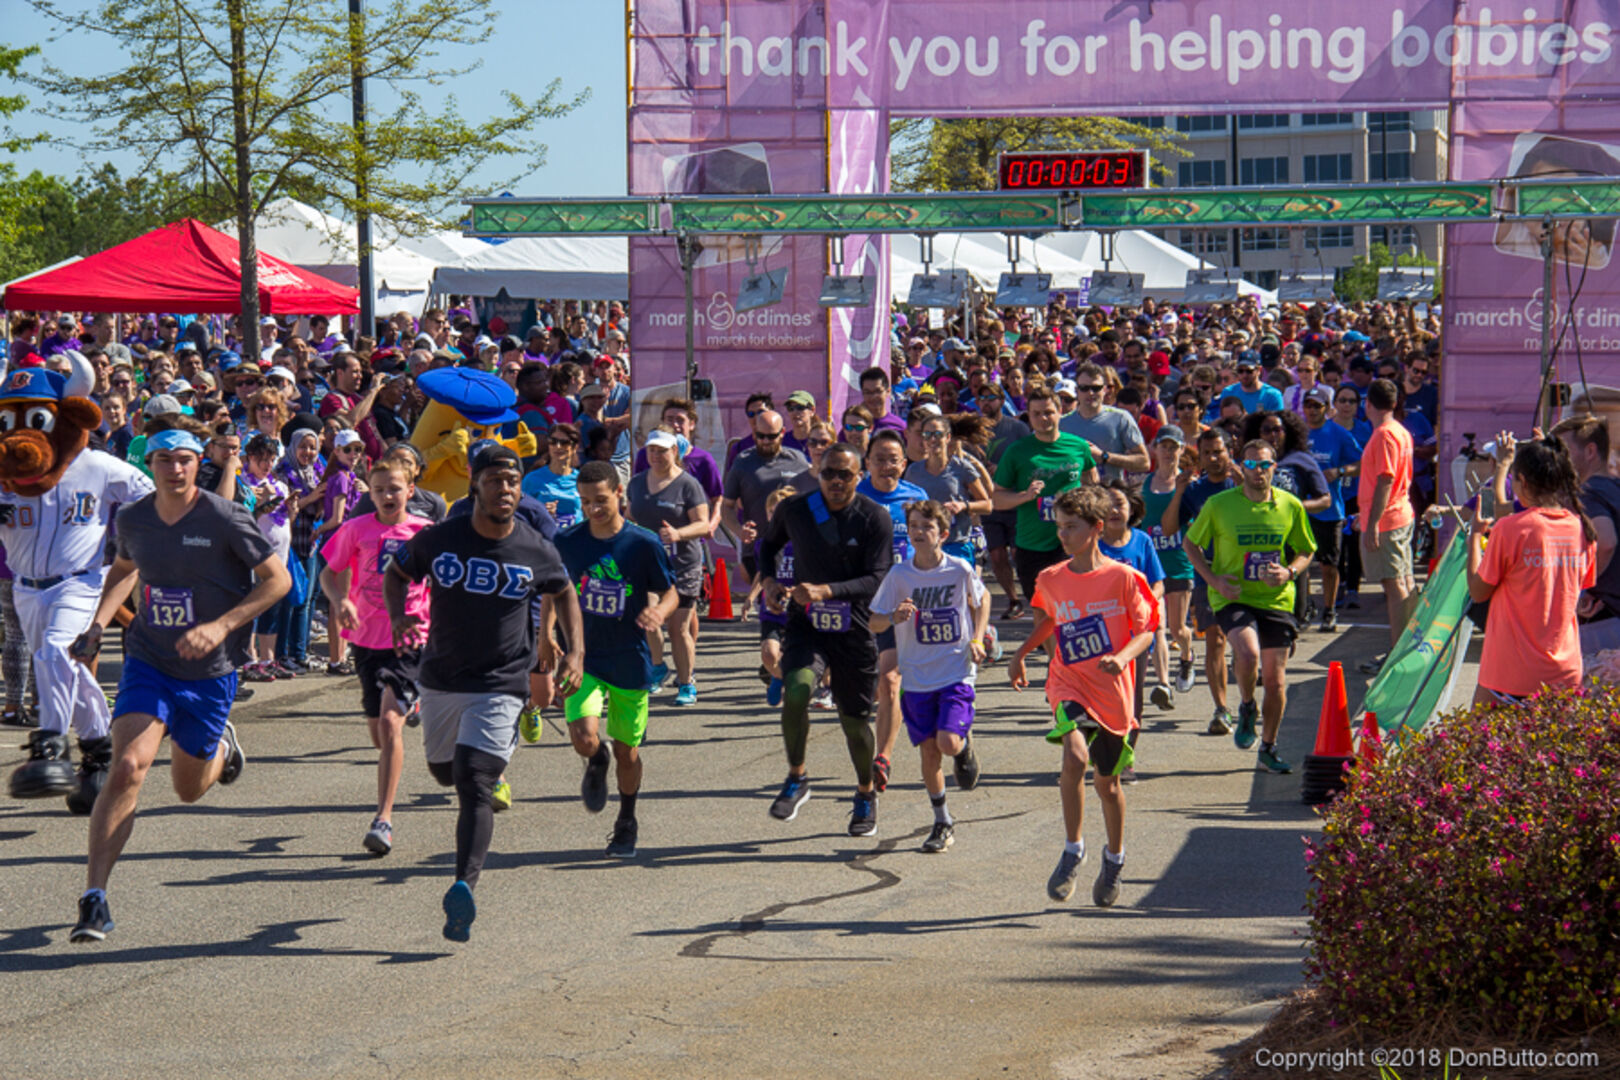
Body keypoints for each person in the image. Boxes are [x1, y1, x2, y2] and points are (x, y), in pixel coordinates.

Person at [67, 427, 291, 942]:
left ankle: (220, 751)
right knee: (126, 766)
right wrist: (99, 624)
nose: (174, 469)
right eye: (164, 460)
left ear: (197, 463)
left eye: (184, 459)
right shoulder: (135, 518)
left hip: (211, 672)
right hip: (150, 658)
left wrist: (222, 626)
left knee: (187, 790)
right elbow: (125, 567)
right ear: (152, 464)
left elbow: (277, 581)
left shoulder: (224, 516)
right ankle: (94, 897)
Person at [386, 443, 583, 942]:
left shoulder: (534, 547)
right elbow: (397, 571)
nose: (506, 490)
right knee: (442, 772)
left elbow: (562, 589)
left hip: (502, 682)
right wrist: (400, 614)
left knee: (474, 780)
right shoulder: (441, 538)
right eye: (495, 481)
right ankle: (475, 778)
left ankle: (462, 890)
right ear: (475, 484)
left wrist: (573, 651)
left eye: (513, 482)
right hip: (442, 679)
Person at [1009, 487, 1158, 908]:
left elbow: (1147, 630)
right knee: (1074, 757)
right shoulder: (1051, 579)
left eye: (1071, 527)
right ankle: (1073, 849)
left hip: (1112, 691)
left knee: (1107, 785)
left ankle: (1114, 859)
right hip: (1068, 681)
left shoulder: (1125, 578)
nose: (1063, 536)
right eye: (1059, 527)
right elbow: (1048, 623)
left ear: (1096, 528)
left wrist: (1122, 655)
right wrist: (1021, 654)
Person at [757, 443, 892, 835]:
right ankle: (797, 777)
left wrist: (826, 591)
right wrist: (768, 580)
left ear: (859, 475)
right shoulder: (795, 510)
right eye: (829, 473)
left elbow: (878, 578)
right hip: (807, 624)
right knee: (797, 690)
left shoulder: (874, 517)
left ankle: (866, 792)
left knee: (854, 722)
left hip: (854, 628)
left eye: (844, 475)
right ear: (818, 472)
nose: (836, 481)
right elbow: (767, 545)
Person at [554, 461, 677, 859]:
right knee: (584, 737)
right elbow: (554, 592)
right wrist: (544, 642)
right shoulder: (568, 541)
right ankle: (596, 758)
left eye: (601, 500)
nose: (593, 509)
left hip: (629, 658)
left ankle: (626, 818)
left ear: (619, 494)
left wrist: (658, 612)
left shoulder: (643, 544)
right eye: (586, 501)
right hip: (583, 657)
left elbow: (670, 590)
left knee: (629, 750)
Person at [319, 458, 434, 856]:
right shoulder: (356, 528)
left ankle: (383, 819)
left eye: (395, 488)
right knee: (379, 735)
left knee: (389, 724)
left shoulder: (425, 533)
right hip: (366, 640)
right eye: (379, 489)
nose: (387, 495)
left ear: (411, 490)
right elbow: (328, 573)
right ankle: (411, 701)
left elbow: (446, 581)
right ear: (369, 492)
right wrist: (338, 601)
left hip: (410, 638)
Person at [1184, 441, 1316, 775]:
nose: (1259, 471)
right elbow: (1190, 543)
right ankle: (1245, 705)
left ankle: (1268, 747)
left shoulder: (1290, 505)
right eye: (1253, 465)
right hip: (1233, 595)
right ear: (1241, 467)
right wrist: (1214, 580)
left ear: (1275, 467)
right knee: (1248, 653)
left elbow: (1306, 549)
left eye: (1266, 465)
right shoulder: (1219, 504)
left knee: (1276, 682)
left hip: (1276, 599)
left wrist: (1289, 572)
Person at [869, 500, 990, 854]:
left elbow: (980, 601)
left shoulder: (958, 569)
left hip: (955, 669)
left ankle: (964, 750)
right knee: (929, 755)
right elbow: (874, 621)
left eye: (928, 527)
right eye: (914, 526)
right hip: (917, 676)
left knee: (948, 743)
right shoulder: (899, 576)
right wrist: (893, 617)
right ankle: (942, 821)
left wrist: (978, 638)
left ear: (944, 534)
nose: (920, 532)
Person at [1466, 438, 1596, 705]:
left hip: (1510, 675)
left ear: (1522, 481)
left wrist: (1473, 541)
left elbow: (1478, 591)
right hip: (1565, 673)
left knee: (1476, 742)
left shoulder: (1511, 529)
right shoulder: (1581, 528)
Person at [992, 387, 1099, 606]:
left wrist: (1082, 497)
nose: (1043, 419)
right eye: (1036, 414)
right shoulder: (1017, 451)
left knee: (1074, 609)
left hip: (1073, 543)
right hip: (1032, 545)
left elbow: (1092, 480)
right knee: (1043, 612)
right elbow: (996, 498)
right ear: (1028, 417)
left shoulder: (1078, 446)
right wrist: (1025, 496)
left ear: (1060, 411)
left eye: (1049, 412)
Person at [626, 429, 709, 705]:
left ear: (675, 451)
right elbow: (628, 517)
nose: (656, 456)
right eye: (652, 450)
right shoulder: (637, 483)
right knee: (648, 617)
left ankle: (687, 683)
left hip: (682, 565)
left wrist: (678, 534)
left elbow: (703, 524)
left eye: (662, 450)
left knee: (678, 629)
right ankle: (659, 666)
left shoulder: (688, 484)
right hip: (647, 563)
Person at [1358, 379, 1416, 657]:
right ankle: (1406, 645)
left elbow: (1385, 479)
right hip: (1399, 514)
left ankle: (1398, 652)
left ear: (1368, 403)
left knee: (1395, 585)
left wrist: (1372, 525)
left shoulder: (1384, 434)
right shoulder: (1399, 431)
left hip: (1389, 519)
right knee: (1403, 581)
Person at [722, 409, 810, 586]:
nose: (765, 441)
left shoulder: (798, 460)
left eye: (771, 436)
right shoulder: (743, 462)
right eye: (760, 436)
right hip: (757, 547)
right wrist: (740, 532)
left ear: (782, 433)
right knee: (765, 602)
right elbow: (726, 507)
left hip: (794, 548)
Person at [1141, 426, 1197, 696]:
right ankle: (1162, 683)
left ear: (1182, 450)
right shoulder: (1143, 485)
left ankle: (1187, 656)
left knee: (1178, 629)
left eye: (1174, 446)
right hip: (1152, 565)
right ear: (1154, 448)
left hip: (1179, 562)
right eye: (1163, 445)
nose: (1168, 452)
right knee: (1157, 626)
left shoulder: (1189, 485)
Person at [1303, 387, 1361, 632]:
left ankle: (1329, 610)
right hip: (1301, 509)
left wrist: (1338, 471)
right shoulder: (1297, 433)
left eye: (1318, 406)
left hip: (1330, 510)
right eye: (1309, 405)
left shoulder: (1338, 433)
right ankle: (1303, 608)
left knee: (1329, 566)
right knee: (1300, 565)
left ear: (1327, 408)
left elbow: (1360, 462)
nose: (1312, 410)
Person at [973, 380, 1030, 618]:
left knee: (1020, 553)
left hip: (1014, 498)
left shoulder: (1016, 428)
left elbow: (1029, 461)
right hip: (988, 502)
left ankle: (1033, 597)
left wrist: (1005, 469)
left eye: (991, 398)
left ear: (1002, 401)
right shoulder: (974, 429)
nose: (986, 403)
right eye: (982, 399)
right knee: (996, 554)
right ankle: (1013, 599)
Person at [1059, 363, 1151, 480]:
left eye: (1096, 388)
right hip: (1075, 494)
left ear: (1105, 390)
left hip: (1110, 494)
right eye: (1084, 388)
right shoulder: (1062, 424)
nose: (1090, 393)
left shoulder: (1121, 418)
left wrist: (1104, 456)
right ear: (1077, 391)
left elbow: (1144, 463)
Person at [523, 422, 582, 528]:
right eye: (553, 442)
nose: (558, 447)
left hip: (576, 539)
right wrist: (541, 513)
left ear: (575, 447)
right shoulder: (532, 479)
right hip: (544, 540)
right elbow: (520, 515)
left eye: (564, 442)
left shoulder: (582, 480)